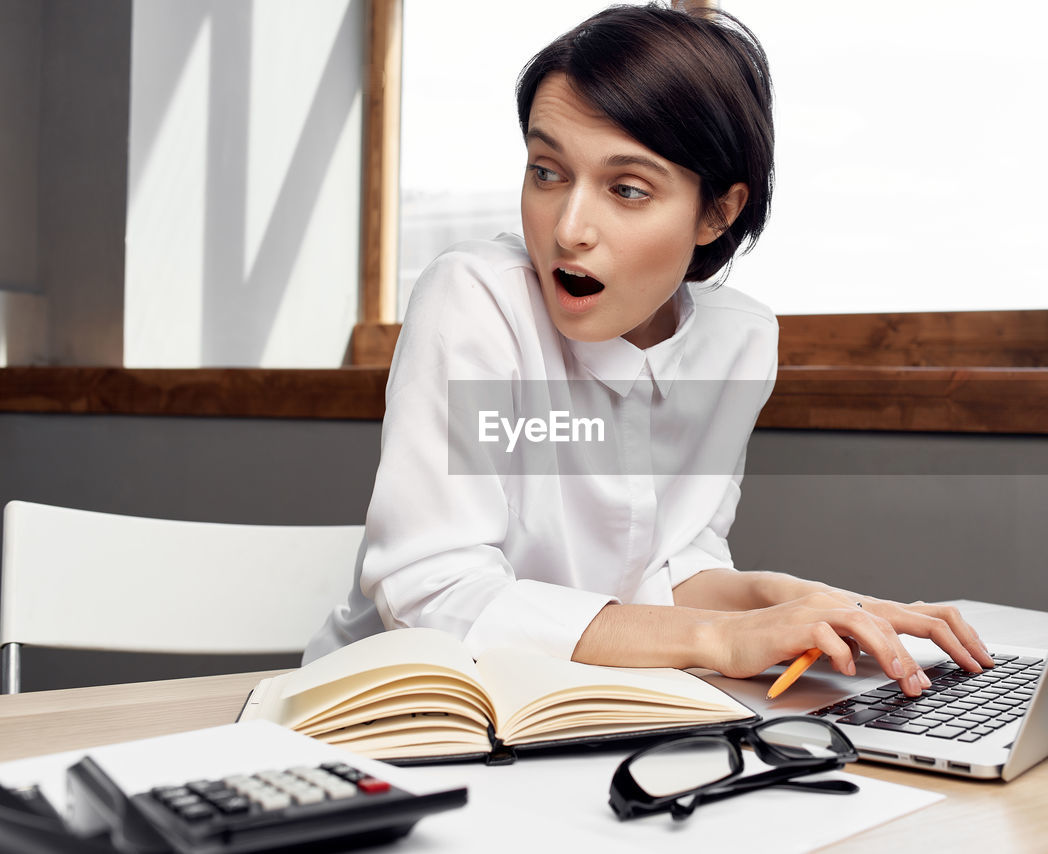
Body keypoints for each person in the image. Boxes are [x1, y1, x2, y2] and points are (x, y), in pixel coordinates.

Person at [305, 3, 995, 697]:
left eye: (627, 189)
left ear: (717, 211)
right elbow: (435, 594)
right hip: (392, 717)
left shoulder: (739, 342)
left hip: (583, 713)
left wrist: (810, 605)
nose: (569, 229)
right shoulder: (477, 300)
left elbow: (670, 569)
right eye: (547, 172)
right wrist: (720, 637)